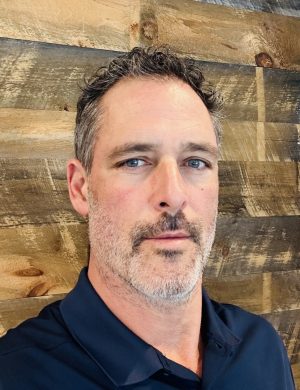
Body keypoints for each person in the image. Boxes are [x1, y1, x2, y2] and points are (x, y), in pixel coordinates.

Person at [0, 47, 295, 390]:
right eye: (134, 161)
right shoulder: (15, 376)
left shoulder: (262, 349)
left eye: (196, 161)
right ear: (80, 189)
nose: (173, 195)